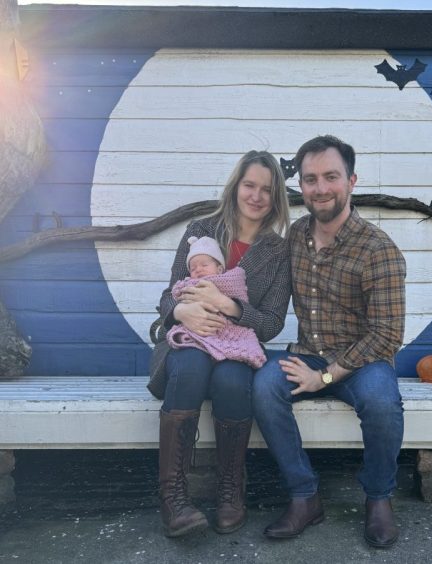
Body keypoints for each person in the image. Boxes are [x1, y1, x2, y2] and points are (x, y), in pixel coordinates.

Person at [253, 135, 406, 549]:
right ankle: (305, 497)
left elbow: (388, 334)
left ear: (351, 181)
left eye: (331, 177)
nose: (321, 188)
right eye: (311, 179)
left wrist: (325, 376)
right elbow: (260, 286)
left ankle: (378, 499)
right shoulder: (296, 237)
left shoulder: (379, 249)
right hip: (307, 353)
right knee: (265, 386)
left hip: (363, 361)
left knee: (382, 402)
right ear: (301, 186)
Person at [148, 150, 291, 538]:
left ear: (276, 197)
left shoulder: (278, 251)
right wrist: (181, 313)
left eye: (266, 189)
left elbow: (273, 322)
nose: (256, 196)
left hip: (234, 346)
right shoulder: (201, 229)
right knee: (192, 366)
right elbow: (168, 296)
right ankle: (173, 497)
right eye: (250, 185)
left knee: (231, 380)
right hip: (188, 340)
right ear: (236, 187)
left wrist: (229, 305)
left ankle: (230, 490)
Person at [166, 235, 266, 369]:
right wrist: (180, 308)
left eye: (204, 265)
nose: (198, 269)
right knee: (190, 363)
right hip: (197, 328)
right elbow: (175, 295)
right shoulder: (188, 284)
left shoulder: (231, 280)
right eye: (193, 268)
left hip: (227, 328)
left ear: (219, 269)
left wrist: (222, 301)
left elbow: (240, 296)